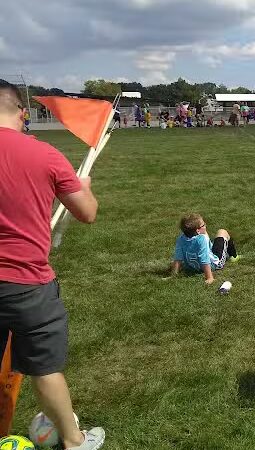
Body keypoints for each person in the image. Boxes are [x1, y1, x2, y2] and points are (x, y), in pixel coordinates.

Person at [0, 79, 105, 450]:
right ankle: (75, 441)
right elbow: (87, 212)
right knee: (45, 369)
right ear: (23, 113)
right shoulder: (45, 155)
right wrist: (85, 184)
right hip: (28, 284)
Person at [170, 213, 238, 283]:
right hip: (213, 265)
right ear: (198, 231)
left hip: (192, 267)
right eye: (203, 225)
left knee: (173, 263)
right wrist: (209, 278)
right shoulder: (201, 239)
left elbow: (178, 258)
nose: (206, 225)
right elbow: (204, 259)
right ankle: (234, 256)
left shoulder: (181, 239)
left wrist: (173, 275)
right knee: (222, 232)